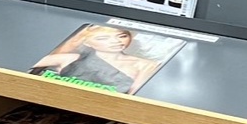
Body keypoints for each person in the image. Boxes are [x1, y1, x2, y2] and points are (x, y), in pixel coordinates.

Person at [30, 25, 162, 95]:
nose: (116, 42)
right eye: (103, 38)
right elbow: (24, 67)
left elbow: (134, 97)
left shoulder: (145, 65)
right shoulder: (72, 58)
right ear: (87, 43)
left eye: (122, 36)